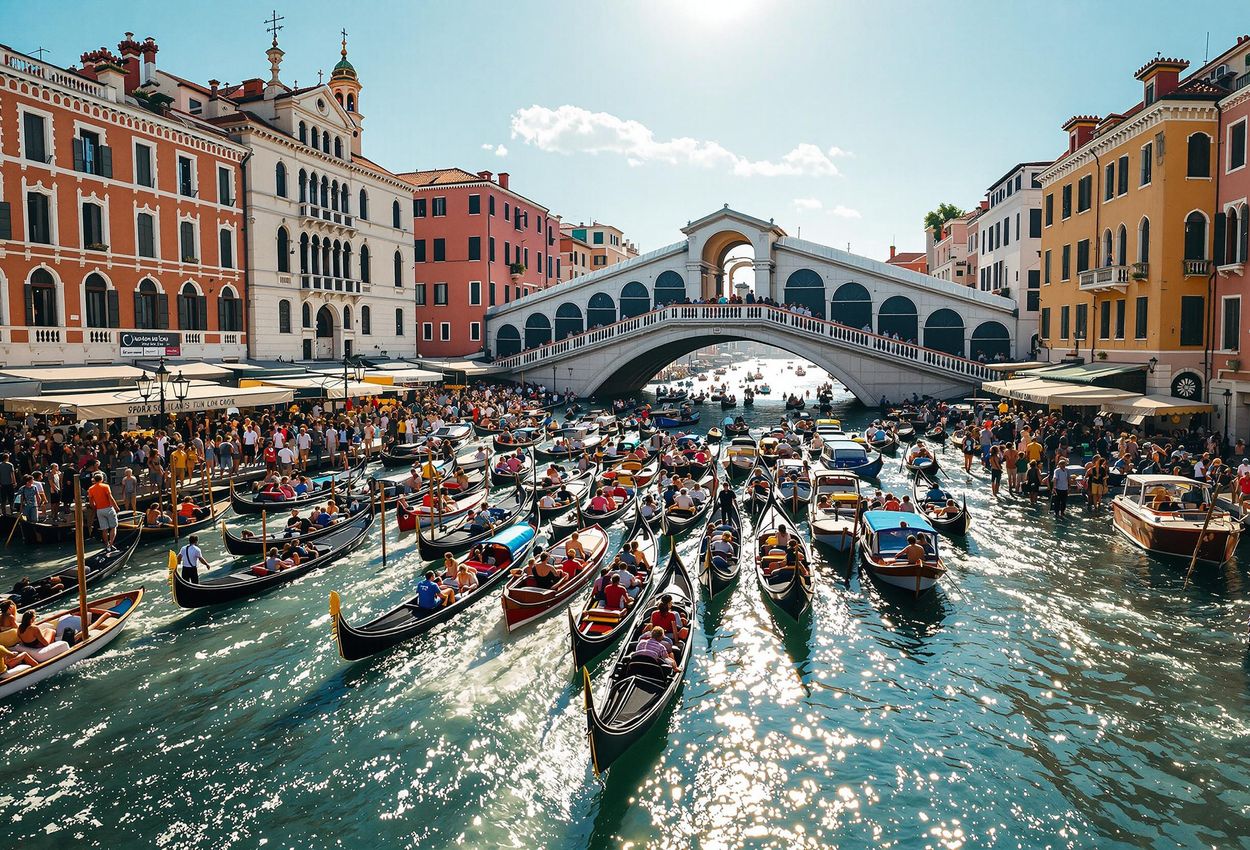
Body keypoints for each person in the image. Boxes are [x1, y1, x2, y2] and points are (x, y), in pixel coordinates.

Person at [87, 472, 120, 552]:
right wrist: (116, 507)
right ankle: (111, 544)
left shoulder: (91, 489)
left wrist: (95, 508)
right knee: (113, 527)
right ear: (102, 479)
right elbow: (110, 498)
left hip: (99, 510)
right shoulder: (105, 486)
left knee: (104, 529)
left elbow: (91, 502)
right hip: (108, 508)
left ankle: (106, 545)